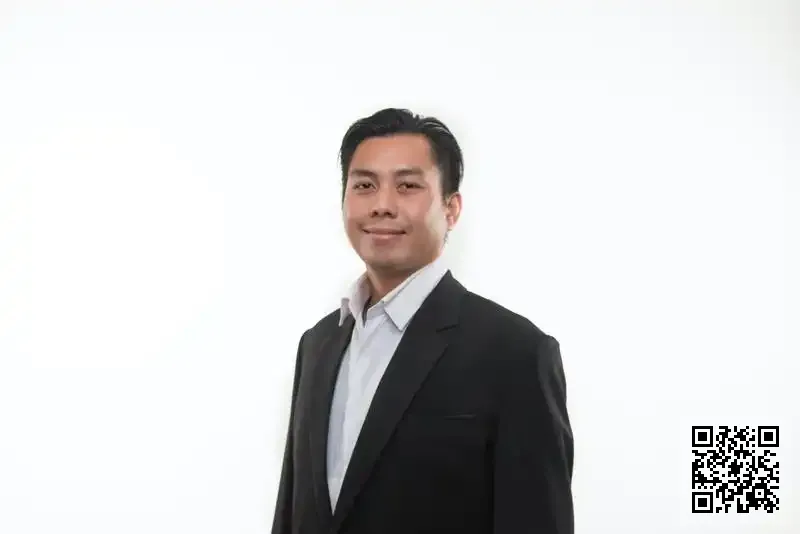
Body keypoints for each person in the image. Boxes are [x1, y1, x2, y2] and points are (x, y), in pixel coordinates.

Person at [271, 108, 573, 534]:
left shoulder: (515, 352)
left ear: (452, 208)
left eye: (408, 186)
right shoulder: (318, 344)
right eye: (364, 185)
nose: (382, 205)